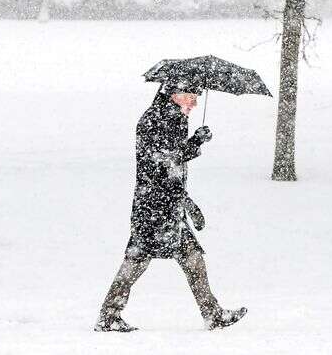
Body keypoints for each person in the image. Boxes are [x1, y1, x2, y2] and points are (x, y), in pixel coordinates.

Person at [95, 83, 247, 332]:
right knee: (137, 259)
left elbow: (171, 163)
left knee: (191, 257)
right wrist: (195, 142)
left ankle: (212, 314)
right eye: (190, 97)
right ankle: (108, 315)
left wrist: (185, 198)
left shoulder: (170, 117)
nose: (195, 103)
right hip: (154, 208)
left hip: (166, 206)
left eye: (197, 97)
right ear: (174, 96)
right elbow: (164, 160)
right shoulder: (156, 119)